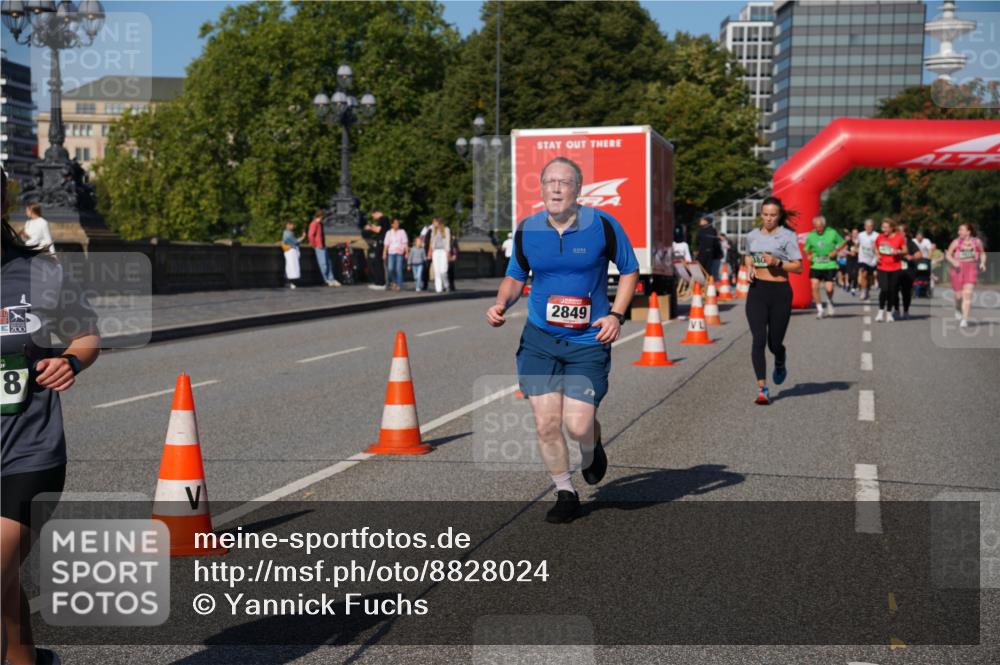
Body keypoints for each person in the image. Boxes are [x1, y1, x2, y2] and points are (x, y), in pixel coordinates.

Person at [486, 156, 639, 524]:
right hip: (540, 340)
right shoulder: (528, 229)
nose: (556, 188)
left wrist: (616, 316)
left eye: (564, 182)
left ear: (578, 189)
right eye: (550, 182)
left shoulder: (603, 225)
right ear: (540, 188)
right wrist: (501, 303)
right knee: (546, 423)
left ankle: (591, 445)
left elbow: (630, 270)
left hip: (588, 341)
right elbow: (515, 276)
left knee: (579, 425)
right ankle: (565, 492)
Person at [2, 169, 101, 665]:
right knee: (3, 582)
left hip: (28, 451)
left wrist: (70, 360)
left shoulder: (41, 273)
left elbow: (86, 335)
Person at [743, 196, 803, 405]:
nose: (768, 219)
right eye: (765, 215)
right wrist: (750, 267)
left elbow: (798, 267)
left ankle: (780, 356)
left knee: (774, 343)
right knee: (758, 339)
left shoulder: (787, 236)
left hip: (780, 292)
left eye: (773, 215)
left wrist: (777, 261)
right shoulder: (751, 236)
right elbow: (749, 256)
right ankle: (762, 388)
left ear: (779, 216)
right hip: (757, 291)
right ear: (761, 214)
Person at [802, 215, 846, 319]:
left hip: (829, 264)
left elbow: (843, 243)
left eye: (820, 227)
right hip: (816, 264)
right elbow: (806, 249)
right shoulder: (811, 235)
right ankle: (820, 309)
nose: (818, 229)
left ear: (824, 225)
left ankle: (830, 301)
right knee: (814, 286)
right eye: (816, 227)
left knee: (829, 288)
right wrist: (808, 255)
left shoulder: (832, 233)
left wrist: (835, 251)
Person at [945, 222, 987, 328]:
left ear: (968, 231)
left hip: (971, 269)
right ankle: (958, 308)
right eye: (959, 230)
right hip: (957, 269)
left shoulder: (977, 242)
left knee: (967, 294)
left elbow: (982, 253)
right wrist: (954, 261)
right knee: (958, 296)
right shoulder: (956, 242)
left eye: (961, 230)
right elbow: (948, 254)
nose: (959, 232)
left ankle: (965, 319)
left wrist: (982, 263)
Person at [874, 217, 906, 322]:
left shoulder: (899, 238)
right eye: (883, 227)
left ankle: (889, 313)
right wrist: (877, 254)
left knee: (892, 291)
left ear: (892, 228)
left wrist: (898, 252)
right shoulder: (880, 237)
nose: (884, 230)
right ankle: (880, 312)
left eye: (886, 228)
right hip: (882, 266)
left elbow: (905, 250)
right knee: (884, 289)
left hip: (895, 268)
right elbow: (875, 247)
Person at [307, 209, 340, 287]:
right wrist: (314, 244)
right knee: (323, 264)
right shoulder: (314, 223)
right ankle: (326, 279)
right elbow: (310, 235)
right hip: (319, 246)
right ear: (321, 216)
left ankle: (331, 278)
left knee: (328, 263)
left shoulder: (319, 224)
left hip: (322, 245)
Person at [896, 223, 921, 320]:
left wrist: (912, 257)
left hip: (908, 270)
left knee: (906, 292)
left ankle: (906, 311)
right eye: (897, 231)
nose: (899, 233)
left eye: (901, 231)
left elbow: (919, 254)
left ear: (905, 233)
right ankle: (896, 310)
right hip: (895, 269)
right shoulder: (894, 242)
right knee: (894, 290)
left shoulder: (910, 243)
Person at [363, 210, 390, 290]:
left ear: (377, 213)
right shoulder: (384, 219)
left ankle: (380, 283)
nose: (374, 218)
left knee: (378, 262)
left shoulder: (383, 219)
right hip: (381, 242)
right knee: (377, 262)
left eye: (373, 216)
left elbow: (379, 230)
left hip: (381, 243)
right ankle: (379, 282)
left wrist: (370, 227)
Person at [856, 218, 879, 301]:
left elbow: (879, 247)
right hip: (863, 259)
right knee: (864, 274)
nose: (869, 228)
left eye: (871, 226)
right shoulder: (860, 235)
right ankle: (863, 291)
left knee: (870, 277)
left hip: (872, 259)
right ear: (864, 227)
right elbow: (857, 244)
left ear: (873, 227)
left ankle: (867, 289)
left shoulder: (877, 235)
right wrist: (856, 250)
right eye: (867, 226)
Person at [383, 217, 408, 292]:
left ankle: (399, 285)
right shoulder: (389, 233)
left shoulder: (402, 232)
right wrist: (384, 252)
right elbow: (386, 244)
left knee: (398, 269)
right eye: (395, 223)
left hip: (399, 253)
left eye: (398, 223)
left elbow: (405, 243)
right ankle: (394, 281)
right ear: (392, 224)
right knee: (390, 269)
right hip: (391, 253)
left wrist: (406, 252)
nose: (397, 224)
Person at [695, 213, 723, 279]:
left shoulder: (709, 231)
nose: (700, 220)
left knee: (706, 272)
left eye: (702, 219)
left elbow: (709, 244)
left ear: (706, 221)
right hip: (705, 255)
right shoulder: (703, 230)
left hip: (706, 256)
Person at [429, 218, 451, 293]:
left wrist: (448, 252)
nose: (433, 224)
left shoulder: (446, 229)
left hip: (443, 251)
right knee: (437, 271)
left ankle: (446, 285)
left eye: (435, 222)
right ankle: (438, 289)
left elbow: (448, 241)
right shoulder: (433, 230)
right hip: (436, 251)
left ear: (439, 222)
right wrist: (431, 251)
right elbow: (431, 241)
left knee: (443, 271)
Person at [281, 221, 305, 289]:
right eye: (292, 225)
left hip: (290, 251)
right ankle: (291, 282)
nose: (293, 226)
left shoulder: (288, 233)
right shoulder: (287, 233)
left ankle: (291, 282)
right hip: (290, 251)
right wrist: (302, 237)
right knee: (292, 267)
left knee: (291, 267)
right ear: (288, 225)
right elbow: (295, 242)